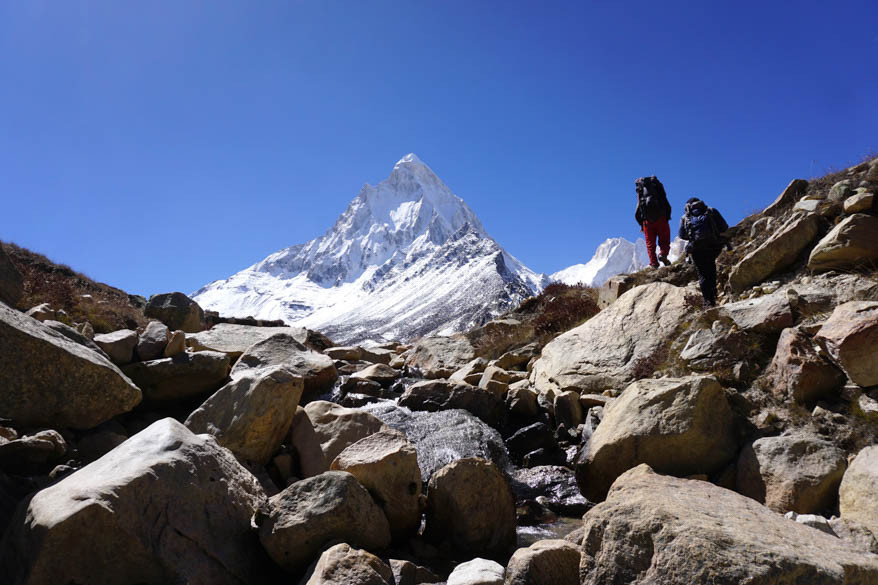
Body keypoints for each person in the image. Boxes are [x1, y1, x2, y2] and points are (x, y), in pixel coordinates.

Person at [678, 197, 729, 307]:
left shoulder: (685, 217)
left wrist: (694, 236)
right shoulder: (711, 211)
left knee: (702, 274)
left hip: (697, 248)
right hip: (713, 246)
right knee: (711, 269)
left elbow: (682, 235)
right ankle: (714, 294)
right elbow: (723, 227)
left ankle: (708, 301)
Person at [634, 176, 672, 267]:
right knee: (664, 239)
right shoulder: (658, 188)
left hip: (647, 222)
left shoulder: (641, 191)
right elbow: (667, 204)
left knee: (650, 244)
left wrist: (641, 225)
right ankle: (663, 254)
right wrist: (667, 217)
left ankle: (654, 263)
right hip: (661, 218)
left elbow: (637, 211)